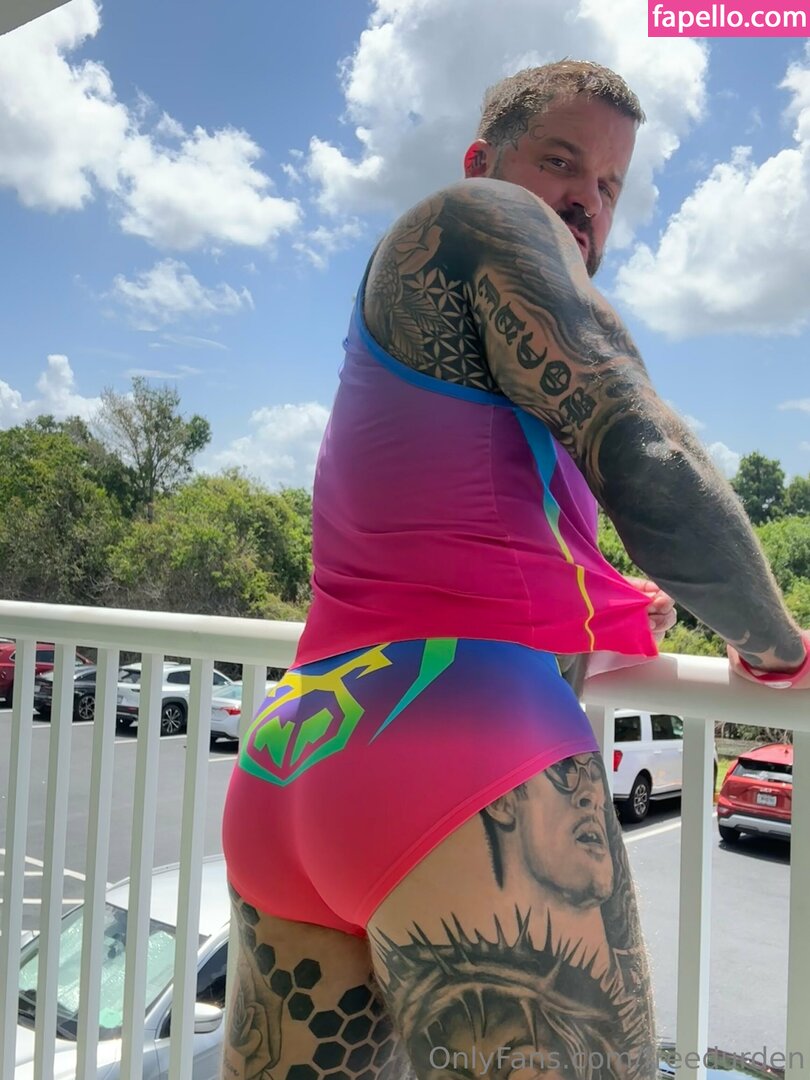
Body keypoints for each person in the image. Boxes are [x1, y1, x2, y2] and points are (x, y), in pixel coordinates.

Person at [221, 59, 810, 1080]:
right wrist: (775, 647)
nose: (585, 200)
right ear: (483, 162)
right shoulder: (481, 216)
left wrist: (630, 610)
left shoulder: (440, 360)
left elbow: (474, 542)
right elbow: (648, 461)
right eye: (561, 161)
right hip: (466, 767)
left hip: (297, 756)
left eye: (611, 184)